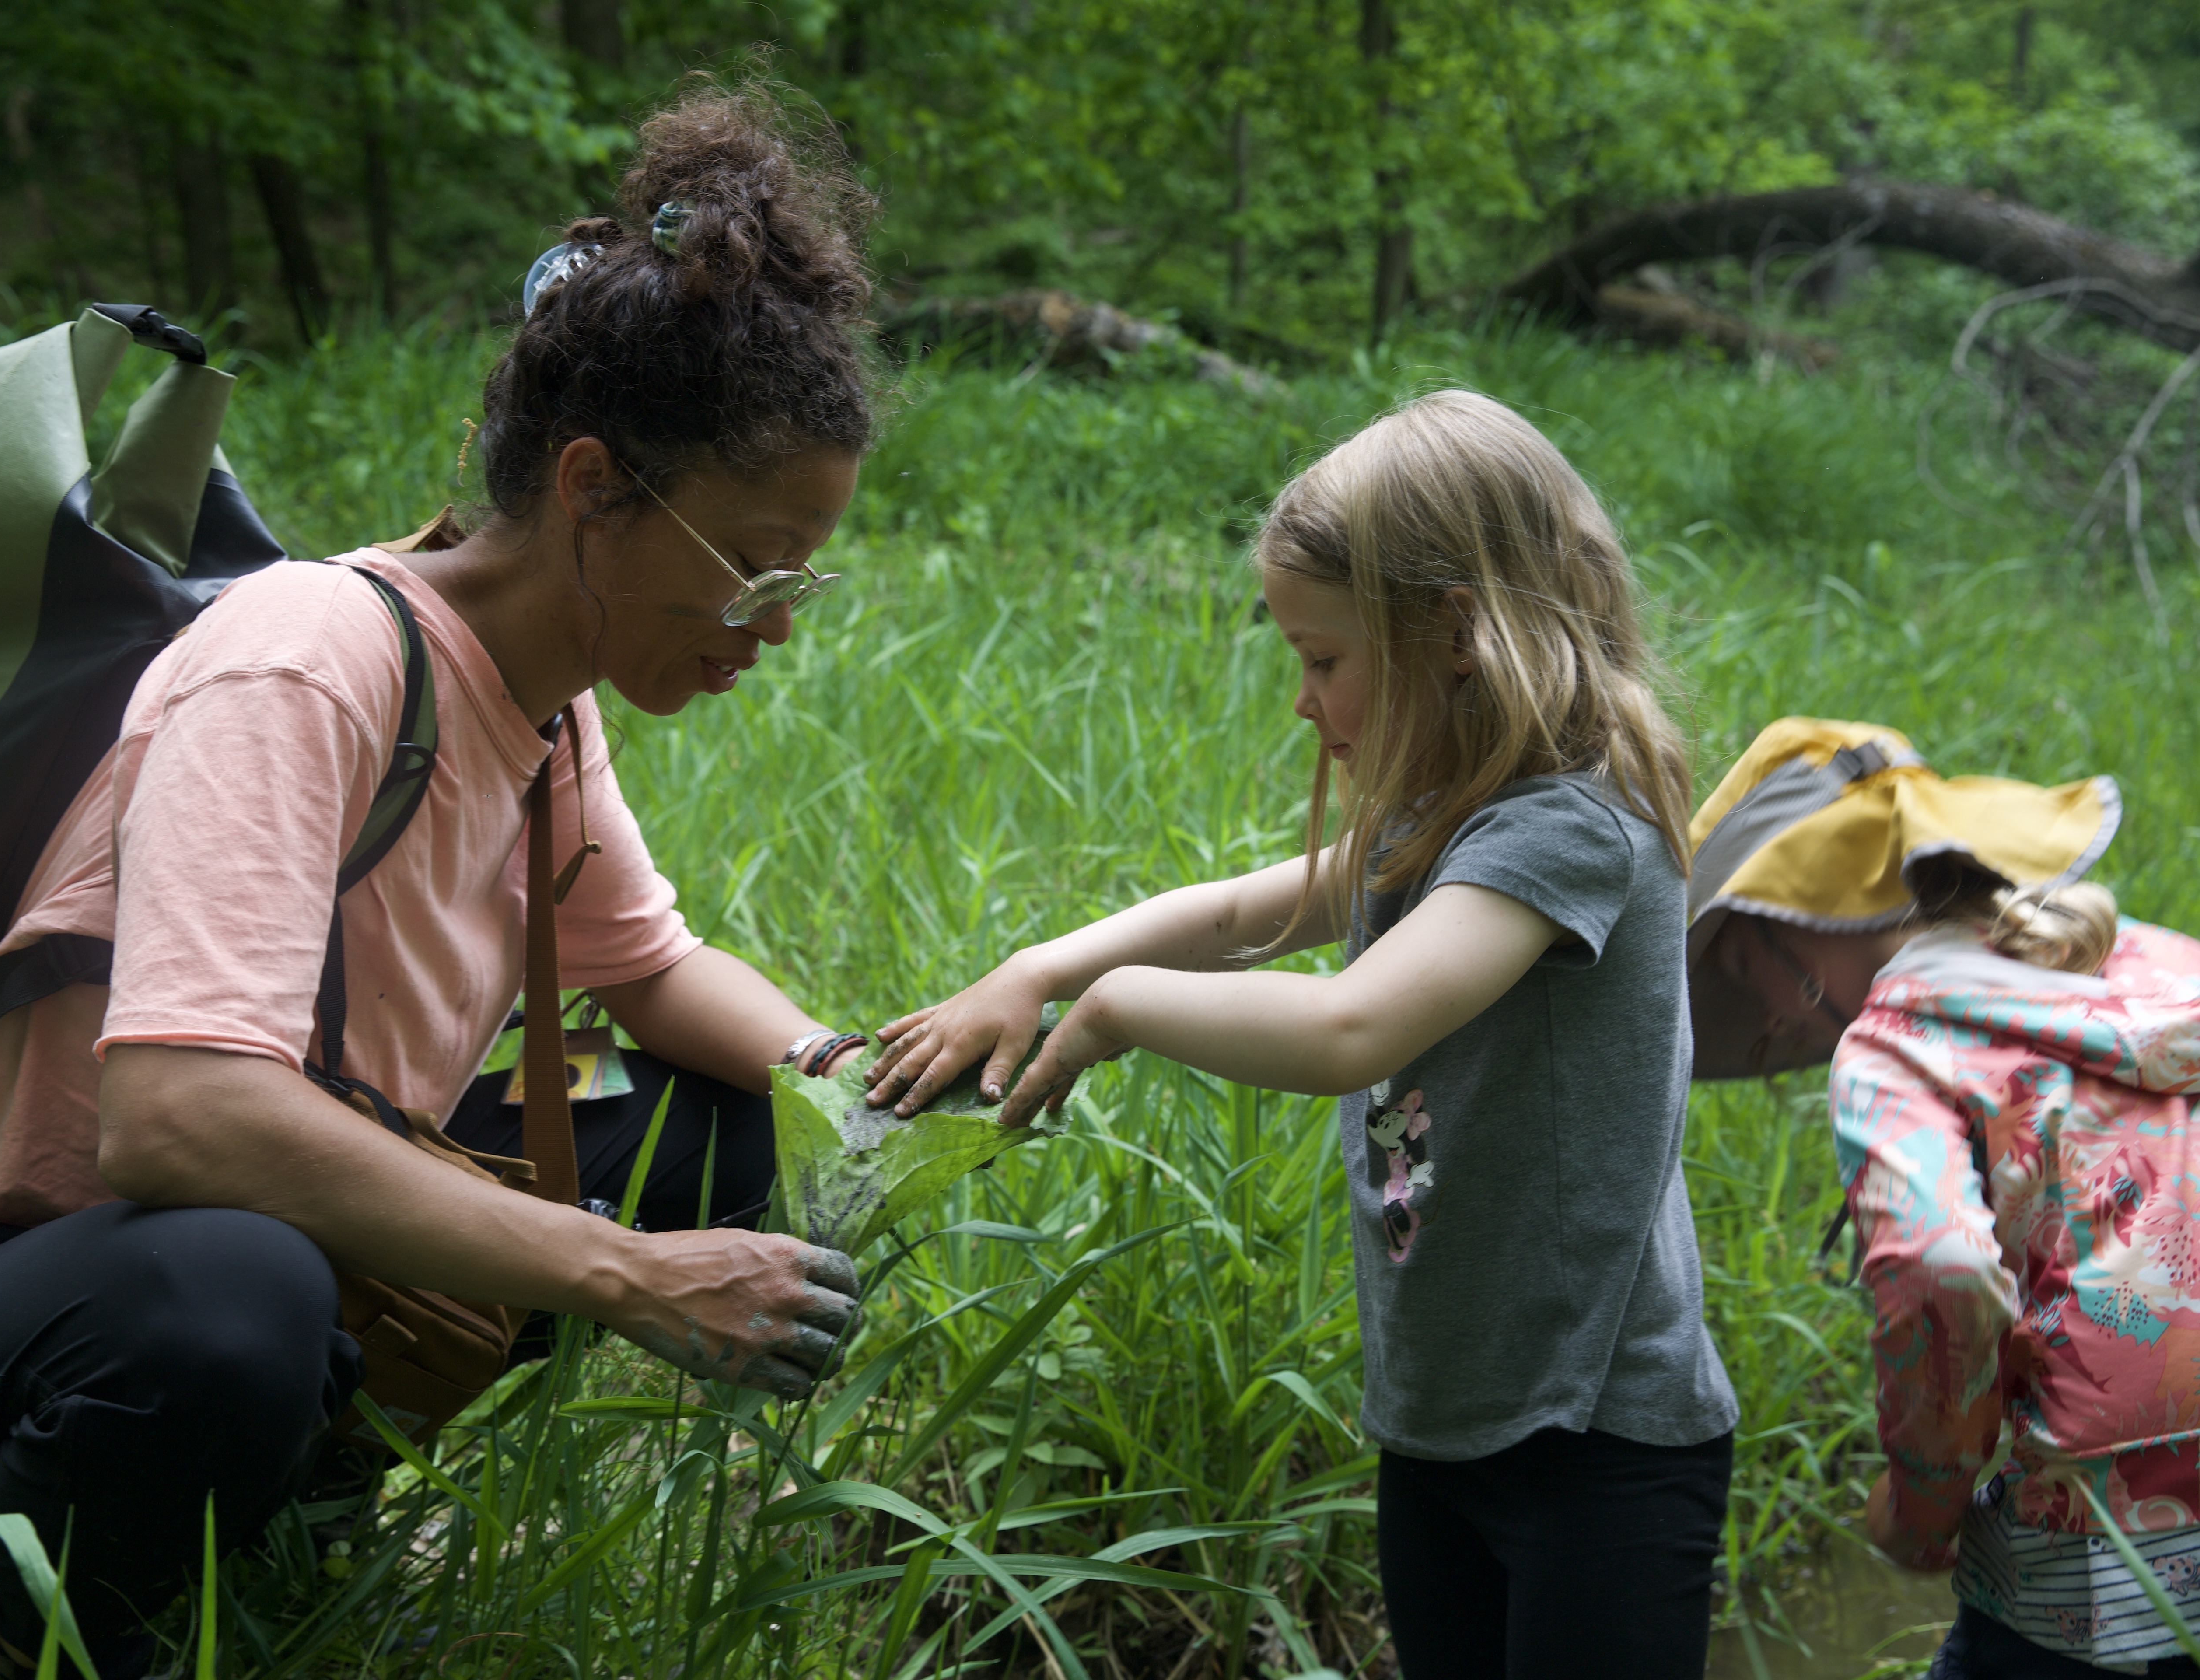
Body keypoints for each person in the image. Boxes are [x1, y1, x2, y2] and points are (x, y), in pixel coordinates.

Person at [0, 83, 881, 1675]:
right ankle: (37, 1626)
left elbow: (648, 972)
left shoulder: (542, 702)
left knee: (704, 1130)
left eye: (805, 577)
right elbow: (179, 1113)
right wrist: (627, 1277)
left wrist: (856, 1073)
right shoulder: (309, 663)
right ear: (591, 489)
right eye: (753, 565)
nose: (773, 623)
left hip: (215, 1279)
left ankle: (287, 1496)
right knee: (237, 1294)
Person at [864, 388, 1738, 1680]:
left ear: (1454, 630)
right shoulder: (1452, 805)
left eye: (1324, 659)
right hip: (1448, 1412)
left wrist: (1111, 1012)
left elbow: (1349, 1024)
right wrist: (1035, 967)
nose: (1304, 700)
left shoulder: (1571, 823)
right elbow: (1236, 916)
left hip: (1597, 1442)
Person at [1689, 718, 2200, 1677]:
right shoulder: (2162, 962)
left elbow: (1942, 1268)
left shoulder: (1891, 1045)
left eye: (1738, 965)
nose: (1763, 1012)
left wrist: (1924, 1509)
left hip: (2104, 1549)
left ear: (1792, 922)